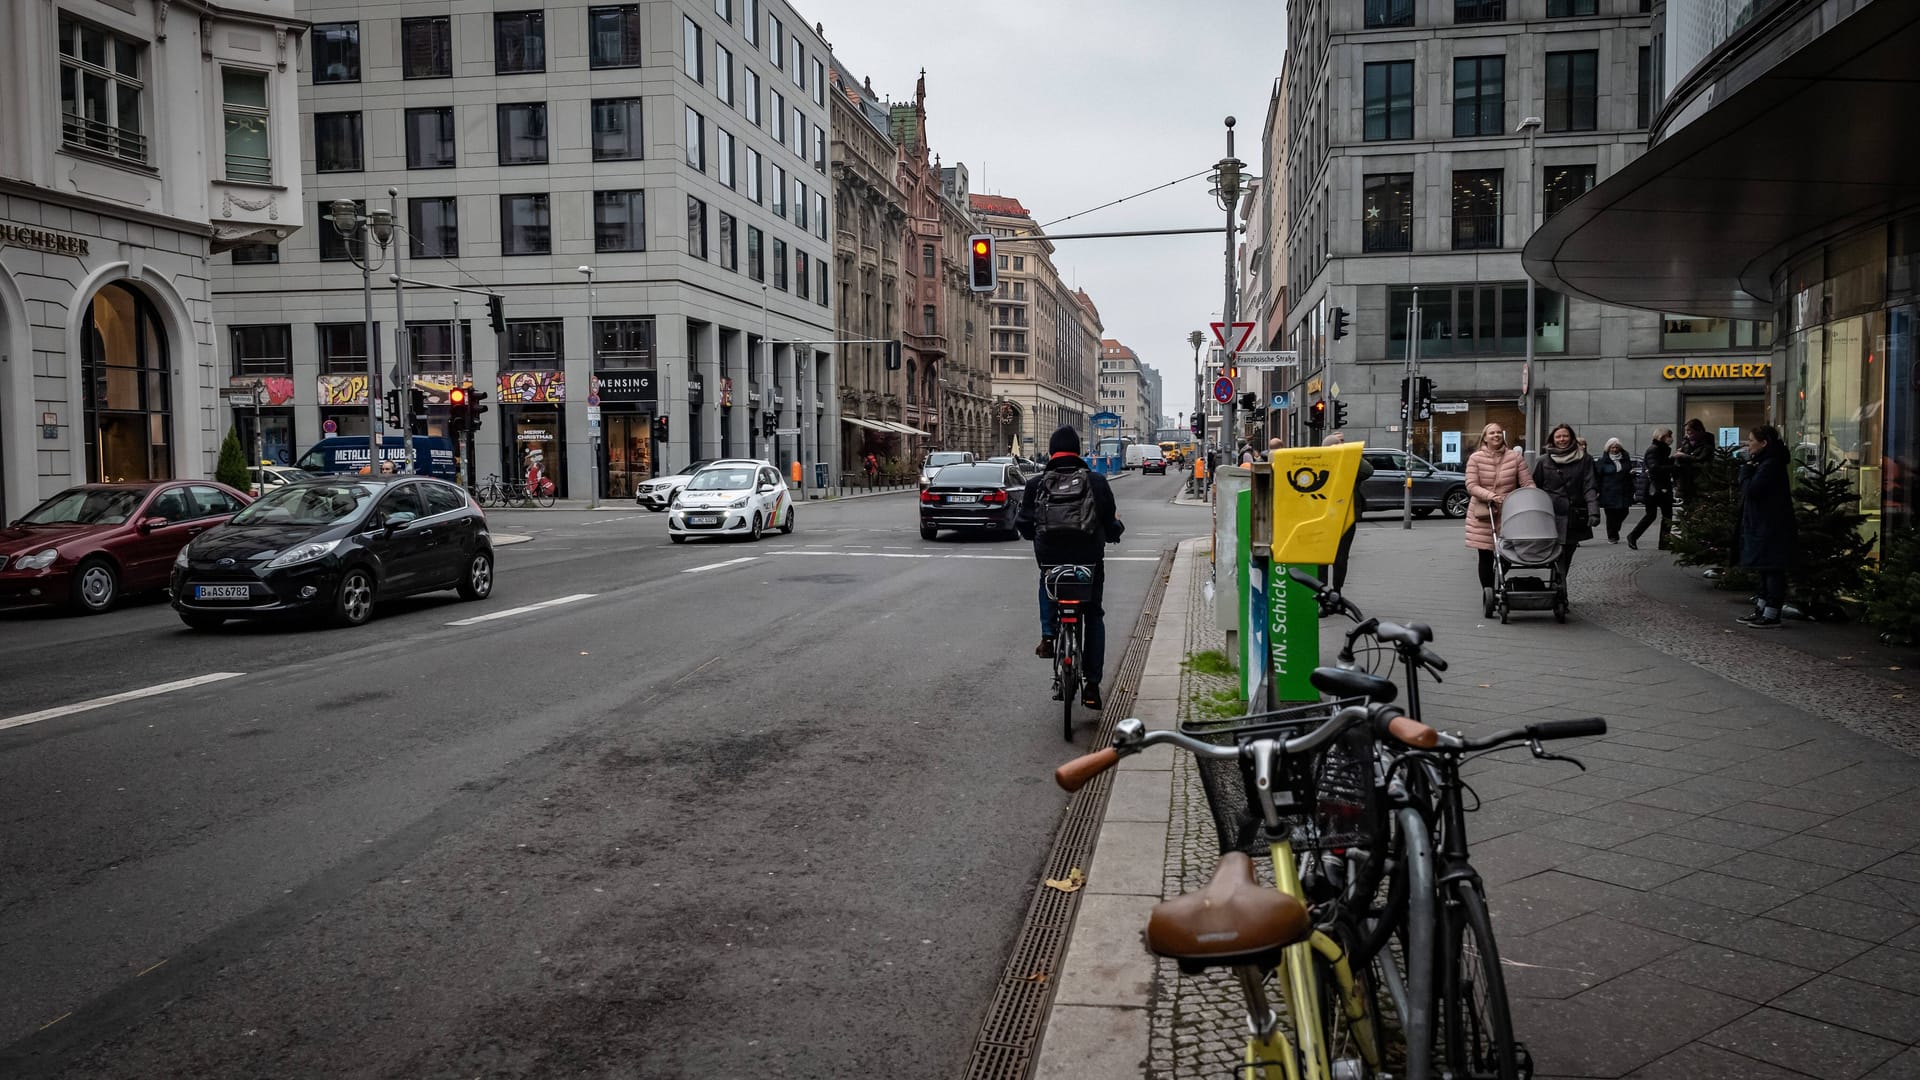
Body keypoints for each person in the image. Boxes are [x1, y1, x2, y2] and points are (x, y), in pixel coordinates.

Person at [1017, 426, 1124, 710]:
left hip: (1051, 558)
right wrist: (1114, 533)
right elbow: (1111, 525)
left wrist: (1037, 535)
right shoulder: (1097, 482)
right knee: (1093, 614)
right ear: (1078, 452)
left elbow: (1023, 524)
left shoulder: (1035, 483)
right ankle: (1091, 684)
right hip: (1088, 561)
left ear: (1052, 452)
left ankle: (1049, 636)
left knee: (1047, 579)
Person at [1735, 425, 1795, 629]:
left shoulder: (1771, 465)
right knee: (1765, 568)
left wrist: (1745, 472)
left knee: (1771, 569)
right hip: (1764, 524)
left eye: (1751, 440)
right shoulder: (1766, 462)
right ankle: (1762, 609)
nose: (1748, 444)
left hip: (1770, 526)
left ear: (1764, 443)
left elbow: (1752, 491)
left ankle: (1771, 614)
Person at [1464, 424, 1534, 592]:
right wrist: (1491, 496)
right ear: (1485, 438)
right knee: (1486, 555)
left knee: (1508, 553)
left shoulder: (1515, 457)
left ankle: (1500, 577)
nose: (1496, 435)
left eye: (1498, 432)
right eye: (1492, 433)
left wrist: (1531, 496)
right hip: (1484, 511)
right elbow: (1471, 485)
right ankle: (1488, 592)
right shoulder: (1476, 458)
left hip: (1509, 511)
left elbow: (1527, 482)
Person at [1532, 423, 1600, 575]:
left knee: (1567, 553)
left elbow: (1589, 486)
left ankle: (1560, 587)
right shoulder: (1543, 461)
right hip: (1550, 514)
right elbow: (1535, 487)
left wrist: (1593, 512)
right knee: (1554, 553)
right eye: (1558, 436)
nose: (1562, 439)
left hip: (1573, 515)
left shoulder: (1585, 459)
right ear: (1553, 439)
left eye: (1565, 436)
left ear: (1571, 438)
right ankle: (1558, 587)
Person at [1316, 432, 1372, 594]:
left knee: (1330, 558)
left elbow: (1368, 471)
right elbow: (1368, 471)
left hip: (1335, 516)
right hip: (1336, 516)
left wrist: (1347, 453)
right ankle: (1331, 591)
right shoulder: (1326, 463)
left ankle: (1328, 592)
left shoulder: (1343, 464)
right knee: (1334, 558)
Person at [1627, 428, 1674, 550]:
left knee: (1657, 515)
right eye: (1669, 435)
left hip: (1658, 487)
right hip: (1656, 488)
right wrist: (1673, 467)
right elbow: (1655, 468)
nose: (1671, 438)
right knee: (1660, 515)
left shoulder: (1661, 449)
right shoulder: (1655, 449)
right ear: (1662, 436)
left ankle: (1635, 536)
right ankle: (1634, 536)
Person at [1594, 438, 1637, 543]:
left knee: (1624, 512)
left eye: (1616, 447)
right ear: (1608, 449)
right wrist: (1597, 490)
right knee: (1611, 515)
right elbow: (1597, 477)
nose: (1614, 449)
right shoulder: (1602, 461)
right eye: (1612, 447)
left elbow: (1628, 472)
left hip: (1624, 491)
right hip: (1608, 492)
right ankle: (1612, 536)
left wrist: (1631, 474)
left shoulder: (1625, 459)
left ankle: (1615, 528)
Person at [1673, 418, 1715, 505]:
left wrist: (1685, 456)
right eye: (1686, 430)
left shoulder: (1707, 442)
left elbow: (1702, 458)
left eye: (1689, 430)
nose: (1687, 433)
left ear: (1698, 430)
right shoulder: (1686, 441)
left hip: (1700, 479)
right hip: (1686, 480)